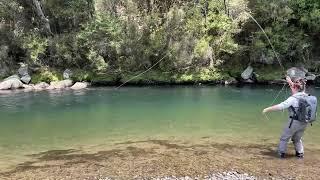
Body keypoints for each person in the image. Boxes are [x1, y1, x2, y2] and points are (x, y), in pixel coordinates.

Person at [262, 76, 308, 159]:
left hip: (294, 122)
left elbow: (281, 106)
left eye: (291, 86)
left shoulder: (293, 99)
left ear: (293, 87)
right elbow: (295, 86)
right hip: (305, 122)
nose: (290, 88)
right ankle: (300, 155)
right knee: (297, 139)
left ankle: (280, 155)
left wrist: (267, 109)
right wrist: (289, 81)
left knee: (284, 138)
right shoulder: (306, 96)